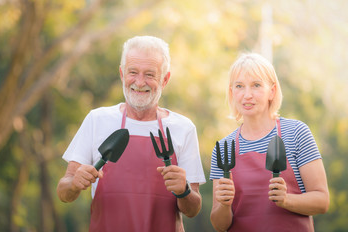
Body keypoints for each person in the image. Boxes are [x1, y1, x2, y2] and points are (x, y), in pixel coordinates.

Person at [57, 35, 206, 232]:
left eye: (150, 75)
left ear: (165, 79)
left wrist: (184, 190)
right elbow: (63, 191)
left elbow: (193, 208)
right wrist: (75, 184)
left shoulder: (183, 128)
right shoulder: (97, 120)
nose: (140, 82)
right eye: (133, 72)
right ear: (122, 74)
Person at [209, 53, 329, 232]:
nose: (247, 95)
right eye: (239, 86)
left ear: (272, 91)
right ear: (232, 92)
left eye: (256, 85)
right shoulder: (224, 148)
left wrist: (287, 200)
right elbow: (219, 225)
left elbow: (322, 201)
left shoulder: (296, 133)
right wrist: (224, 204)